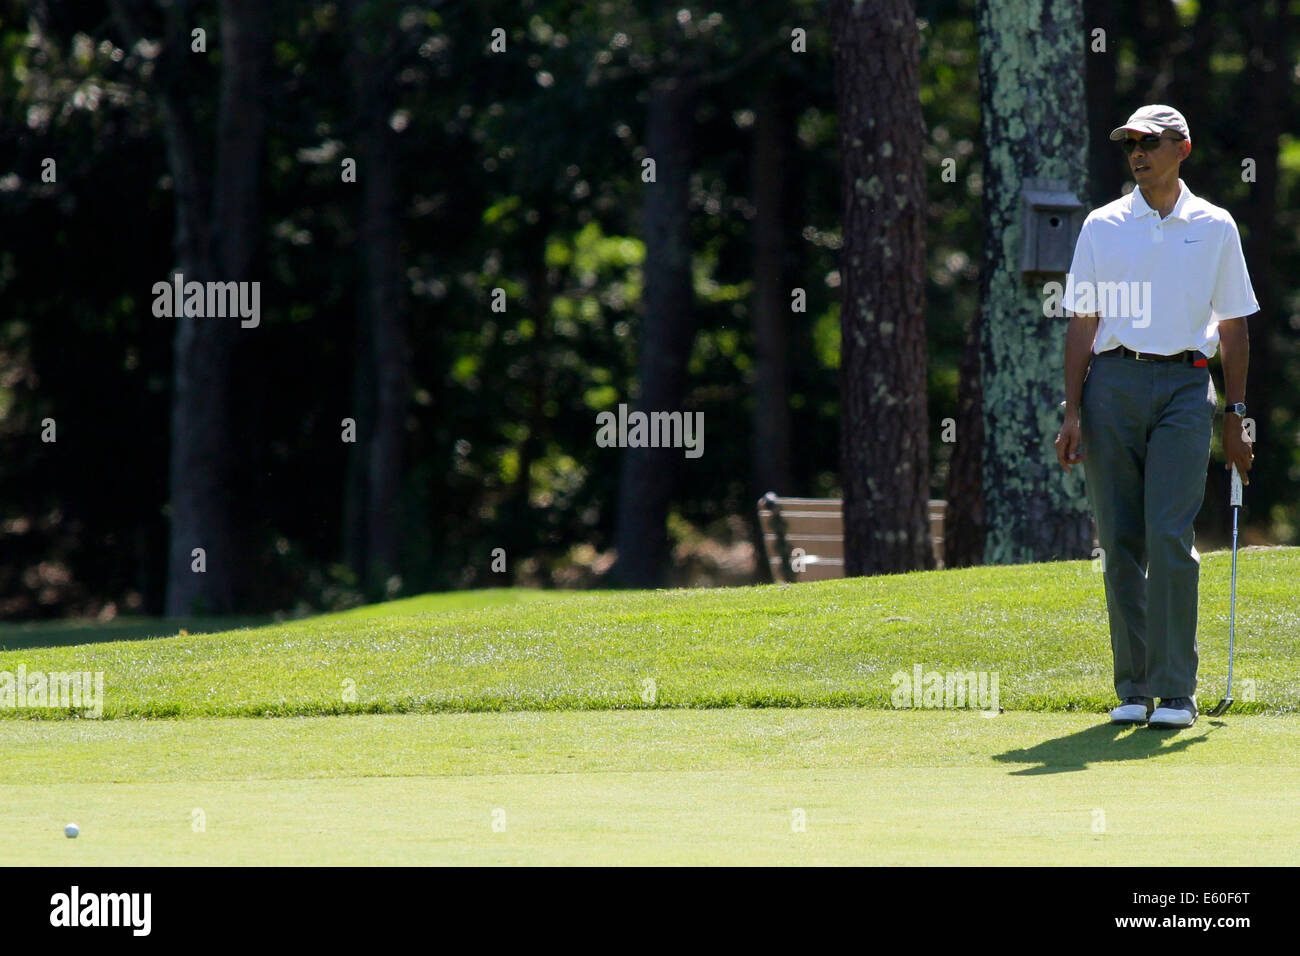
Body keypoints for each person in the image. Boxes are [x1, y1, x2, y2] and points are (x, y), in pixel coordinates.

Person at [1053, 105, 1257, 730]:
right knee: (1120, 539)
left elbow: (1233, 326)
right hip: (1111, 385)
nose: (1137, 153)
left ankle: (1175, 690)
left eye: (1149, 142)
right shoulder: (1103, 224)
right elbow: (1082, 322)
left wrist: (1237, 414)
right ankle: (1134, 687)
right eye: (1130, 145)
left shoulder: (1215, 225)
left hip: (1186, 385)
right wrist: (1072, 410)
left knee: (1169, 536)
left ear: (1182, 148)